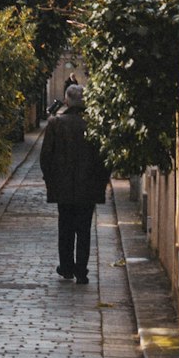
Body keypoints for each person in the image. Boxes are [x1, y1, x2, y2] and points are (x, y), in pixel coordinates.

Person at [39, 84, 110, 285]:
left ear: (67, 100)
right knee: (84, 229)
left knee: (66, 228)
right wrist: (101, 182)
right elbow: (105, 158)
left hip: (63, 188)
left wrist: (50, 181)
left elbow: (45, 157)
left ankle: (67, 267)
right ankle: (81, 271)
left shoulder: (55, 124)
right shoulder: (94, 125)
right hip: (88, 188)